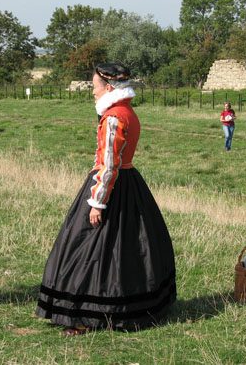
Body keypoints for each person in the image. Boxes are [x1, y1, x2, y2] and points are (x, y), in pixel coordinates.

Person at [36, 63, 176, 335]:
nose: (92, 92)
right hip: (129, 184)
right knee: (126, 248)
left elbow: (109, 165)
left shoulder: (114, 117)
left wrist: (97, 201)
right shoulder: (128, 112)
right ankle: (127, 304)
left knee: (87, 247)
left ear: (109, 88)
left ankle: (83, 315)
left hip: (111, 186)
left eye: (95, 87)